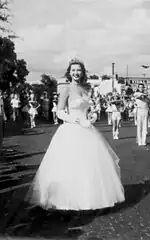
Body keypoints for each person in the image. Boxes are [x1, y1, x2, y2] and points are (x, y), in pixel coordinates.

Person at [27, 59, 124, 215]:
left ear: (83, 72)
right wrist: (75, 119)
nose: (76, 73)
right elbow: (59, 111)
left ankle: (87, 198)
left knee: (89, 165)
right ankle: (64, 200)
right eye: (73, 70)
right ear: (69, 72)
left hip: (87, 129)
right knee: (69, 164)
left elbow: (89, 108)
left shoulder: (86, 89)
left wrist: (91, 116)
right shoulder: (66, 88)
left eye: (78, 70)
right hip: (71, 128)